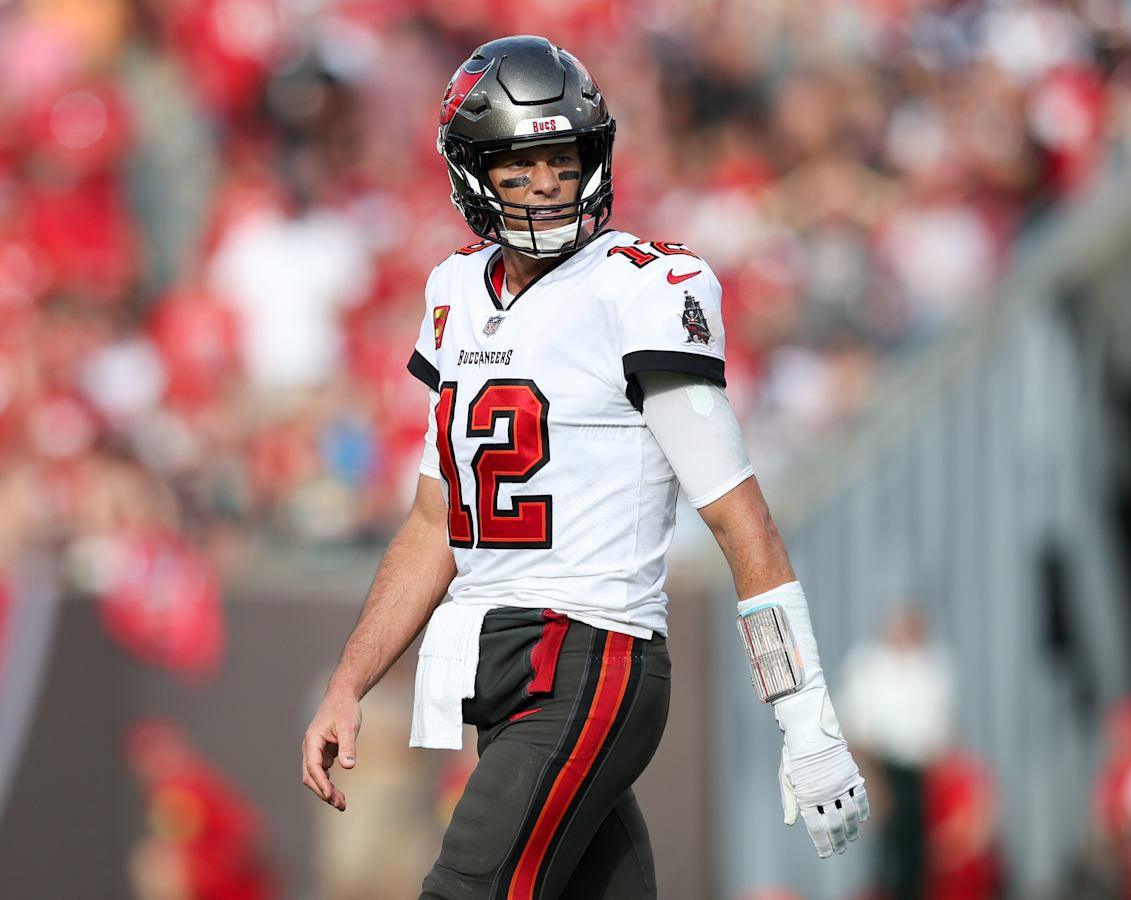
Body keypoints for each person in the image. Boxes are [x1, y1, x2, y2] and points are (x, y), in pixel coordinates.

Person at [301, 35, 868, 899]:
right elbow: (433, 523)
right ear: (471, 172)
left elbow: (738, 516)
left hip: (589, 654)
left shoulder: (639, 289)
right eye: (519, 166)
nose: (546, 186)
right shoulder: (453, 294)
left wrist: (809, 721)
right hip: (499, 668)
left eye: (561, 161)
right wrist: (352, 680)